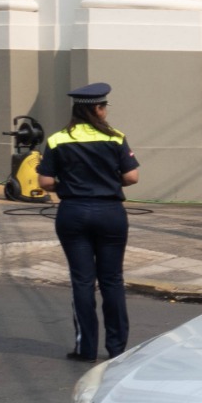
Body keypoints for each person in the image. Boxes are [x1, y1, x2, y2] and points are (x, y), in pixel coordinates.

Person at [36, 83, 139, 362]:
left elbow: (45, 181)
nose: (105, 112)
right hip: (110, 213)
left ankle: (86, 349)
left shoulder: (57, 139)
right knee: (112, 280)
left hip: (73, 212)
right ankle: (117, 349)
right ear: (98, 109)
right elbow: (131, 177)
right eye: (104, 107)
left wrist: (69, 185)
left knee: (82, 281)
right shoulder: (116, 138)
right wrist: (106, 182)